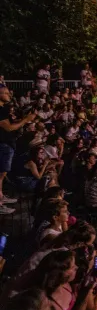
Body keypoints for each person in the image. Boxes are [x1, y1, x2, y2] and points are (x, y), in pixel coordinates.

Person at [0, 84, 37, 213]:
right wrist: (26, 119)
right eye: (5, 93)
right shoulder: (0, 110)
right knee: (0, 174)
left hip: (6, 144)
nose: (9, 94)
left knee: (2, 174)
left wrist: (24, 119)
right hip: (3, 144)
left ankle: (1, 197)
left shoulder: (4, 109)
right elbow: (8, 127)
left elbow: (12, 124)